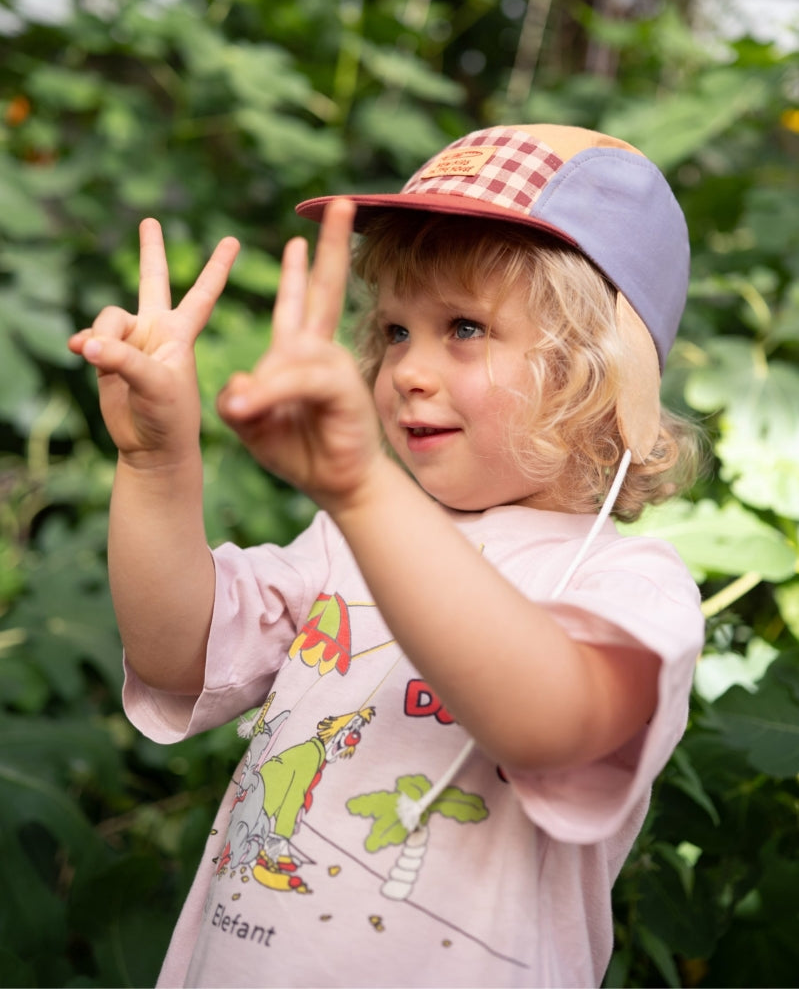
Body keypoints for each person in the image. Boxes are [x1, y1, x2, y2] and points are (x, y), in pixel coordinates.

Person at [69, 123, 705, 989]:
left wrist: (363, 490)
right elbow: (175, 652)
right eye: (397, 331)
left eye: (465, 327)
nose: (408, 368)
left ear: (607, 380)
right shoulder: (343, 539)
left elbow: (550, 724)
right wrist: (156, 462)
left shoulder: (625, 584)